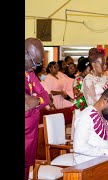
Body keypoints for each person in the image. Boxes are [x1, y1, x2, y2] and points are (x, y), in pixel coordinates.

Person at [73, 88, 108, 164]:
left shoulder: (105, 116)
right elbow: (79, 147)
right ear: (105, 102)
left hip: (102, 160)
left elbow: (100, 141)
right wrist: (106, 151)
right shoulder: (86, 116)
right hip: (86, 164)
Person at [25, 37, 50, 180]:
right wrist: (34, 104)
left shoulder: (30, 73)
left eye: (40, 63)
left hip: (30, 137)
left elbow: (45, 97)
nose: (36, 67)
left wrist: (36, 100)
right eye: (35, 62)